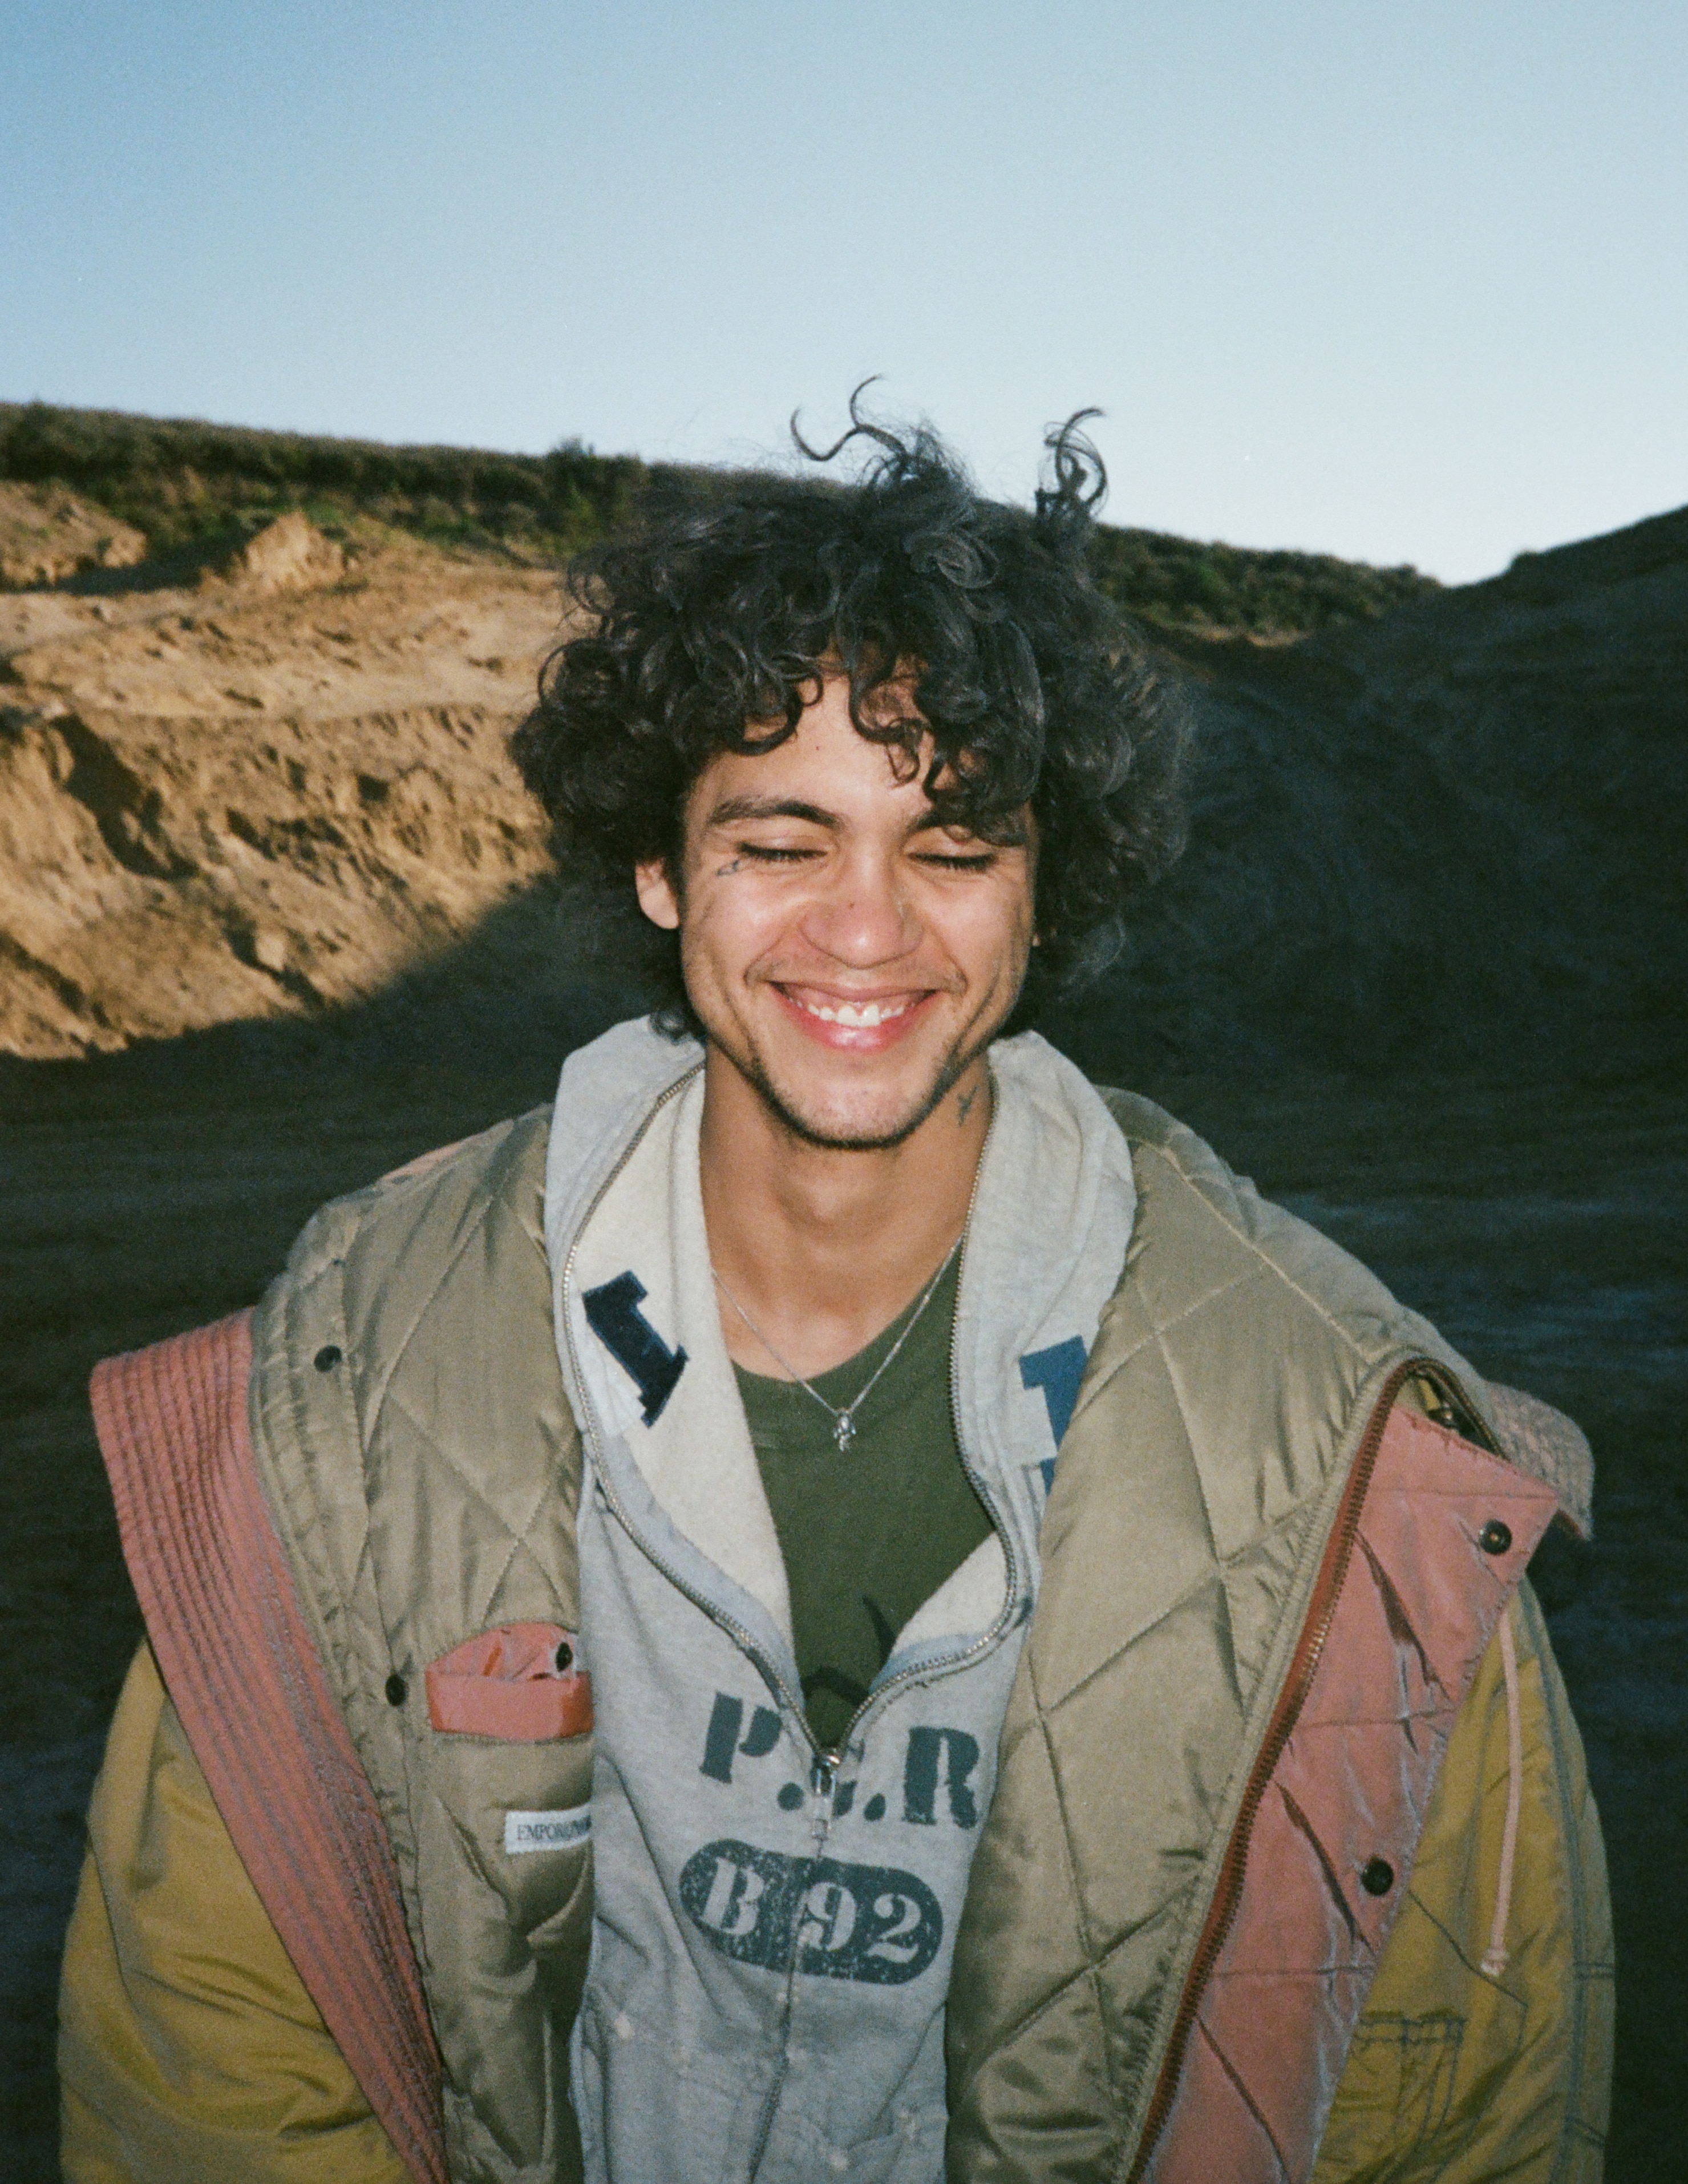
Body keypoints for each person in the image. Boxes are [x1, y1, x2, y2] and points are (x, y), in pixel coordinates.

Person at [60, 405, 1612, 2184]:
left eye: (951, 848)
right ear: (660, 864)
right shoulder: (349, 1383)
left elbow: (1455, 2098)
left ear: (1043, 889)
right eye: (783, 842)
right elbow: (219, 2048)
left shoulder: (1341, 1453)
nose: (865, 931)